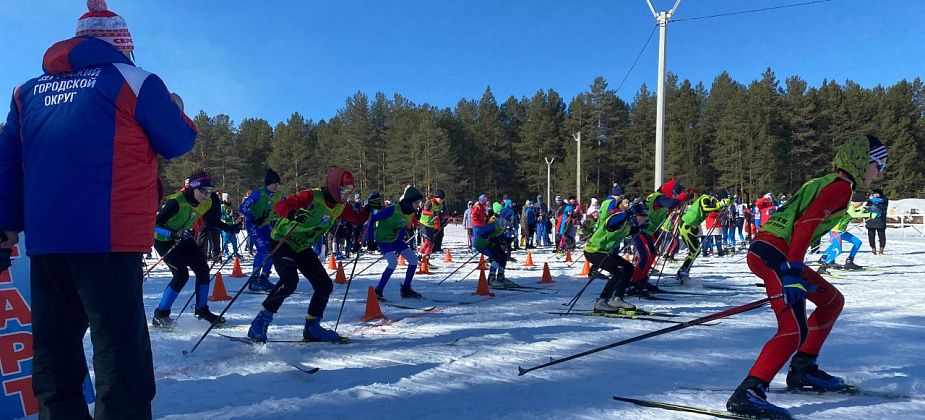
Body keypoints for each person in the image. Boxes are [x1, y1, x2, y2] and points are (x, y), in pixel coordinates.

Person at [0, 1, 197, 417]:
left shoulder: (26, 91)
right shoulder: (134, 80)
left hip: (48, 240)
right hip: (109, 235)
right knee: (119, 346)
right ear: (122, 44)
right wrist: (177, 110)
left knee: (55, 347)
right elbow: (178, 142)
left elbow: (7, 164)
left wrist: (6, 227)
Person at [726, 134, 887, 419]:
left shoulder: (826, 182)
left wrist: (794, 268)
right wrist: (793, 272)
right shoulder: (840, 187)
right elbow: (804, 226)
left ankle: (804, 368)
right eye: (879, 164)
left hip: (776, 250)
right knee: (793, 328)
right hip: (775, 252)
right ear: (862, 161)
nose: (880, 172)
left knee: (831, 301)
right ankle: (749, 392)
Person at [247, 168, 375, 343]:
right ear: (334, 187)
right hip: (283, 241)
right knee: (289, 281)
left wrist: (369, 207)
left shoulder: (340, 206)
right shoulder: (312, 197)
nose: (347, 195)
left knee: (324, 285)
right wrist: (293, 213)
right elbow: (280, 206)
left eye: (350, 191)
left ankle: (312, 327)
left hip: (302, 247)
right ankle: (260, 322)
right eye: (344, 190)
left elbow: (357, 219)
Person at [152, 171, 241, 327]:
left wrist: (230, 228)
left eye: (209, 191)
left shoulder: (206, 201)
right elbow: (154, 225)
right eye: (203, 191)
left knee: (203, 270)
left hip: (184, 240)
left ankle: (202, 311)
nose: (206, 195)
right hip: (165, 241)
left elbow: (212, 221)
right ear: (192, 188)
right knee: (181, 274)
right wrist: (173, 233)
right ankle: (160, 315)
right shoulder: (176, 202)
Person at [584, 202, 648, 312]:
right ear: (634, 215)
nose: (643, 220)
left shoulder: (628, 225)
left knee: (628, 268)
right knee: (618, 273)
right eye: (641, 217)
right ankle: (601, 302)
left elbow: (623, 233)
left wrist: (638, 229)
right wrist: (627, 213)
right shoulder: (619, 218)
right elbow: (611, 225)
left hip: (605, 252)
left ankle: (617, 298)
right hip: (594, 251)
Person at [368, 187, 423, 301]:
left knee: (413, 259)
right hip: (383, 239)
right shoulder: (392, 209)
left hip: (395, 240)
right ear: (408, 202)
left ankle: (406, 289)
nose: (418, 205)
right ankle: (378, 291)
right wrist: (370, 239)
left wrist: (401, 240)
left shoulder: (410, 213)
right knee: (393, 262)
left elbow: (403, 226)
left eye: (419, 203)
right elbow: (373, 219)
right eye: (416, 203)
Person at [240, 168, 283, 291]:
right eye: (274, 183)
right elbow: (243, 207)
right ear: (268, 183)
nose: (276, 186)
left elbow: (287, 204)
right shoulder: (258, 193)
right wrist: (252, 218)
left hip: (265, 225)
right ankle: (254, 280)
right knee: (262, 250)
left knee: (272, 250)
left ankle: (264, 278)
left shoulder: (279, 195)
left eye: (278, 183)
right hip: (253, 225)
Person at [675, 190, 731, 282]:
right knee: (695, 251)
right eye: (718, 201)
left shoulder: (710, 201)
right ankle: (683, 271)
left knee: (695, 251)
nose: (716, 203)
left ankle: (684, 270)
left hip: (691, 227)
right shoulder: (705, 198)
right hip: (686, 225)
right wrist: (720, 205)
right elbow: (706, 208)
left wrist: (724, 205)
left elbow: (715, 210)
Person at [817, 202, 876, 272]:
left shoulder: (852, 207)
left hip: (841, 231)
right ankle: (823, 267)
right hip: (835, 231)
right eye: (861, 203)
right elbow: (853, 215)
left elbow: (855, 214)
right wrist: (869, 214)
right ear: (856, 201)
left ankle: (849, 261)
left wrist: (861, 210)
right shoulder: (849, 206)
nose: (861, 204)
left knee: (857, 242)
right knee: (838, 250)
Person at [474, 203, 519, 288]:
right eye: (509, 219)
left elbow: (499, 235)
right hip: (481, 244)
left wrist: (505, 240)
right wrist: (489, 241)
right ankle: (491, 280)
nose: (510, 222)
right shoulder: (494, 224)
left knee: (503, 256)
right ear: (504, 218)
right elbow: (480, 232)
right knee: (496, 257)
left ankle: (500, 277)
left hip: (491, 244)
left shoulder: (502, 225)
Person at [417, 189, 445, 262]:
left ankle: (426, 259)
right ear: (436, 197)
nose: (441, 200)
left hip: (431, 225)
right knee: (427, 241)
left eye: (443, 199)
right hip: (424, 223)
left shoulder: (440, 205)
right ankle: (419, 255)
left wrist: (448, 216)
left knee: (431, 243)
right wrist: (432, 213)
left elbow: (440, 214)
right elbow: (424, 211)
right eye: (440, 199)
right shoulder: (430, 202)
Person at [866, 188, 888, 255]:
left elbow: (883, 207)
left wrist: (874, 201)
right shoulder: (870, 200)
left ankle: (881, 248)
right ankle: (873, 248)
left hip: (880, 220)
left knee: (881, 235)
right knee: (871, 235)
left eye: (877, 193)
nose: (876, 195)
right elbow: (867, 207)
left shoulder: (884, 200)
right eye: (874, 193)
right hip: (871, 220)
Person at [221, 193, 242, 258]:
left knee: (234, 240)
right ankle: (226, 252)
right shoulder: (222, 206)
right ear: (224, 199)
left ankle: (236, 252)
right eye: (227, 198)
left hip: (232, 225)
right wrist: (228, 216)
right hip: (225, 225)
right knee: (225, 240)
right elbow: (221, 216)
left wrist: (236, 216)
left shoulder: (231, 206)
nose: (229, 200)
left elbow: (235, 215)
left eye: (229, 198)